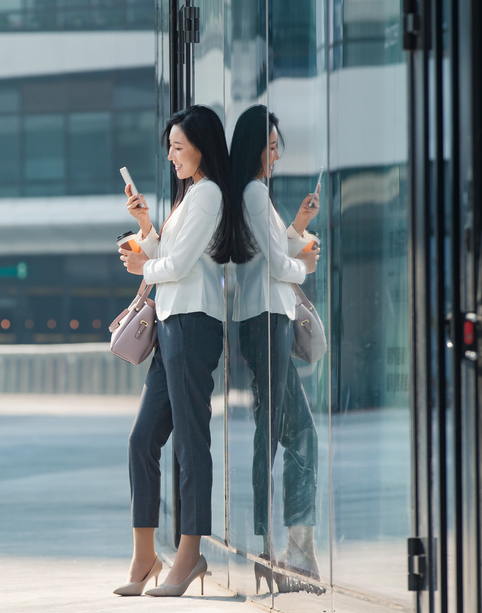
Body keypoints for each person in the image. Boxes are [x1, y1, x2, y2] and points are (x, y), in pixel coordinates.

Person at [114, 105, 233, 597]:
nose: (171, 156)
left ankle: (189, 556)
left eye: (179, 147)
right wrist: (146, 225)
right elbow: (167, 256)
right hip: (171, 325)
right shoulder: (190, 197)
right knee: (143, 440)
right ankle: (146, 556)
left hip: (193, 324)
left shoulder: (208, 195)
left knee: (190, 443)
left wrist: (144, 263)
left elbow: (176, 265)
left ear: (203, 146)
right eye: (170, 147)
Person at [211, 105, 322, 595]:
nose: (276, 153)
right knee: (274, 435)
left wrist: (297, 226)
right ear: (256, 145)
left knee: (293, 435)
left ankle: (290, 554)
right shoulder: (254, 192)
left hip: (265, 318)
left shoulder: (258, 195)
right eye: (272, 144)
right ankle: (275, 551)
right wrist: (306, 267)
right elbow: (279, 264)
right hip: (266, 320)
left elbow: (272, 253)